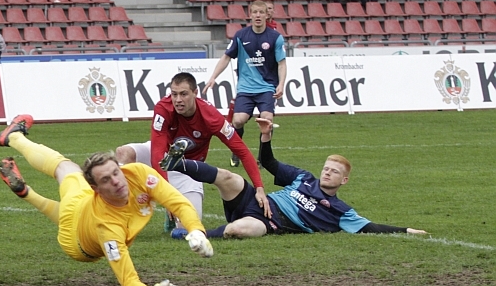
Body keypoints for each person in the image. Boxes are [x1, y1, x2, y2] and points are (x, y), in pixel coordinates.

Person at [0, 114, 213, 286]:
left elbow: (178, 203)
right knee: (66, 207)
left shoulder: (138, 173)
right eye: (106, 180)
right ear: (95, 188)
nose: (116, 181)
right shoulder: (107, 227)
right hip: (76, 243)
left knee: (65, 167)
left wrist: (196, 230)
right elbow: (129, 283)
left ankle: (14, 141)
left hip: (86, 207)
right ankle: (24, 178)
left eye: (116, 173)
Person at [159, 118, 428, 240]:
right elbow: (269, 163)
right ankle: (177, 163)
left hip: (269, 222)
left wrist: (407, 231)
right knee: (228, 176)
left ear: (344, 181)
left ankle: (195, 235)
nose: (327, 172)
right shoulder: (304, 178)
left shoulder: (341, 212)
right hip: (256, 201)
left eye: (334, 172)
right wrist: (266, 137)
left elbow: (370, 227)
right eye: (326, 168)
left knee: (238, 230)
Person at [116, 72, 269, 238]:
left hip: (188, 169)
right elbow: (158, 153)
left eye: (183, 94)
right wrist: (166, 195)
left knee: (188, 229)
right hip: (164, 157)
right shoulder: (163, 108)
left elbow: (242, 151)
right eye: (174, 94)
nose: (178, 100)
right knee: (124, 153)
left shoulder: (211, 116)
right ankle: (118, 214)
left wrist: (259, 188)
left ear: (195, 93)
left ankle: (173, 218)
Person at [202, 0, 285, 168]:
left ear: (266, 15)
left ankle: (263, 157)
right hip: (245, 88)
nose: (258, 15)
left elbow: (282, 63)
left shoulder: (275, 37)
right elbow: (226, 57)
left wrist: (281, 84)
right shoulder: (241, 36)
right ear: (250, 15)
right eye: (255, 12)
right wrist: (213, 77)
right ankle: (237, 151)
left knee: (267, 119)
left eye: (261, 12)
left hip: (266, 87)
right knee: (238, 121)